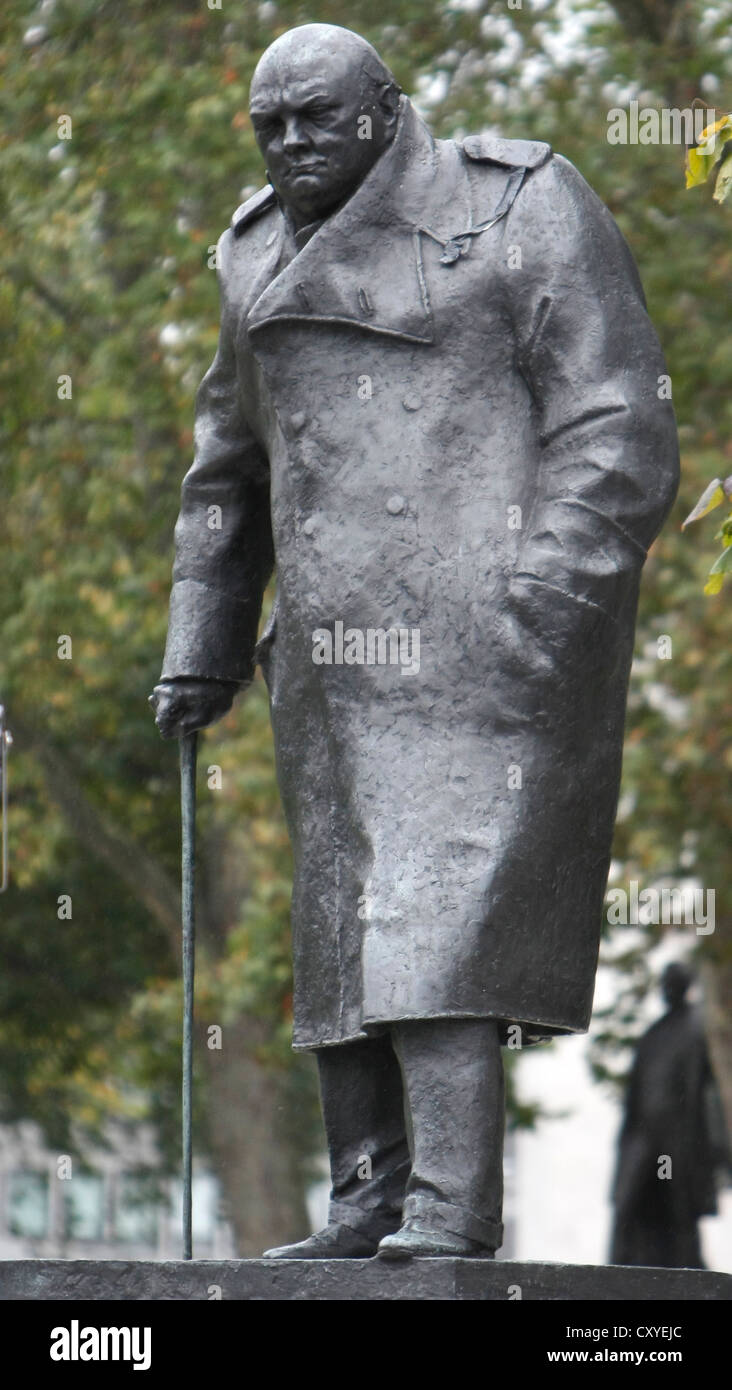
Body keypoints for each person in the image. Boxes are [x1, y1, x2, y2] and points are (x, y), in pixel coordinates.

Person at [150, 23, 679, 1259]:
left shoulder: (518, 205)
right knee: (344, 923)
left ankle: (448, 1211)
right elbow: (224, 472)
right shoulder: (252, 254)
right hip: (333, 658)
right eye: (268, 123)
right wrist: (204, 643)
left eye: (314, 116)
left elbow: (618, 424)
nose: (289, 142)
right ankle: (367, 1201)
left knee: (442, 922)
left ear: (385, 111)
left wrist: (544, 601)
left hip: (485, 647)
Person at [610, 962, 729, 1268]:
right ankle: (628, 1274)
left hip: (679, 1140)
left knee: (679, 1213)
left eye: (672, 983)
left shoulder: (695, 1029)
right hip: (645, 1137)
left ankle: (688, 1277)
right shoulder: (653, 1034)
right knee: (633, 1209)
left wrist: (716, 1146)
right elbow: (635, 1095)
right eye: (664, 983)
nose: (667, 989)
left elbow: (708, 1094)